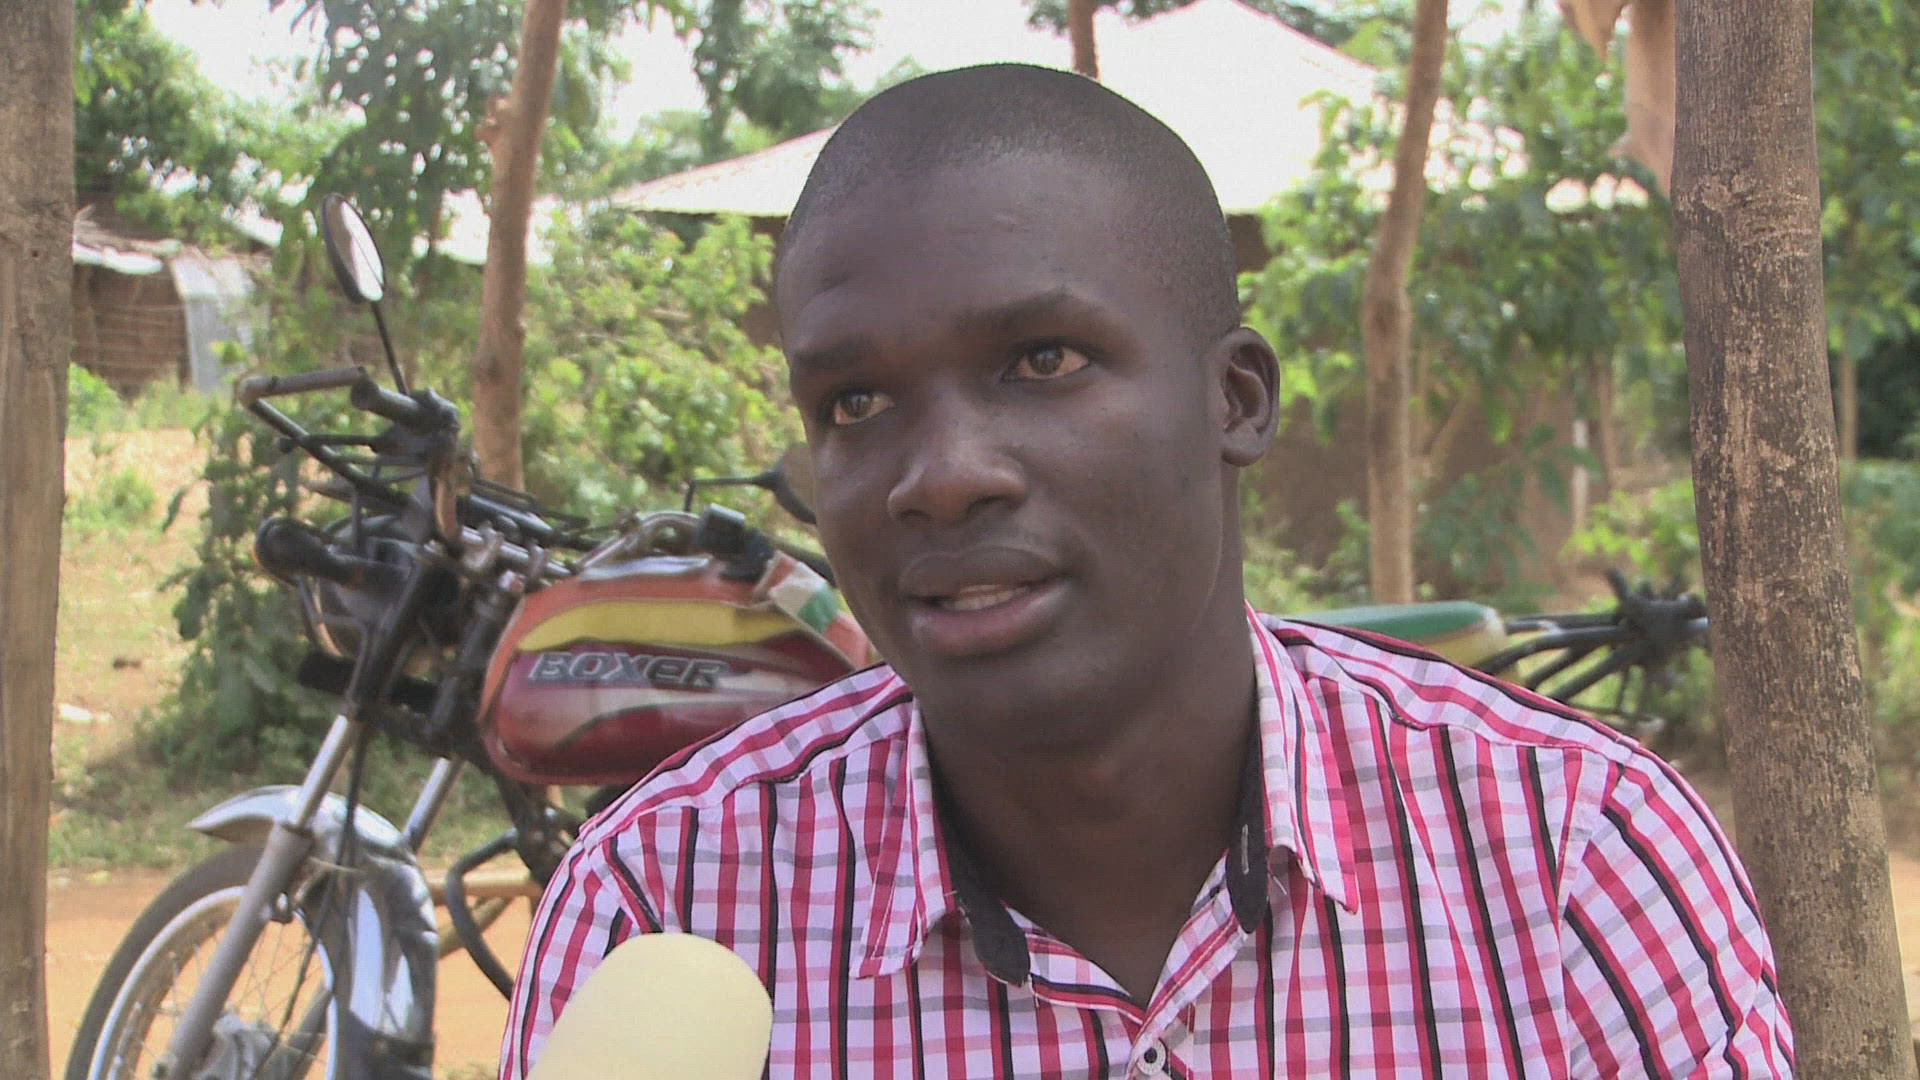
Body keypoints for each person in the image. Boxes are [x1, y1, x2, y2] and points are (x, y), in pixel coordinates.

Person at [500, 64, 1790, 1078]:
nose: (941, 476)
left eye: (1042, 361)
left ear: (1236, 400)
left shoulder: (1570, 858)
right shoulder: (663, 899)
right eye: (856, 402)